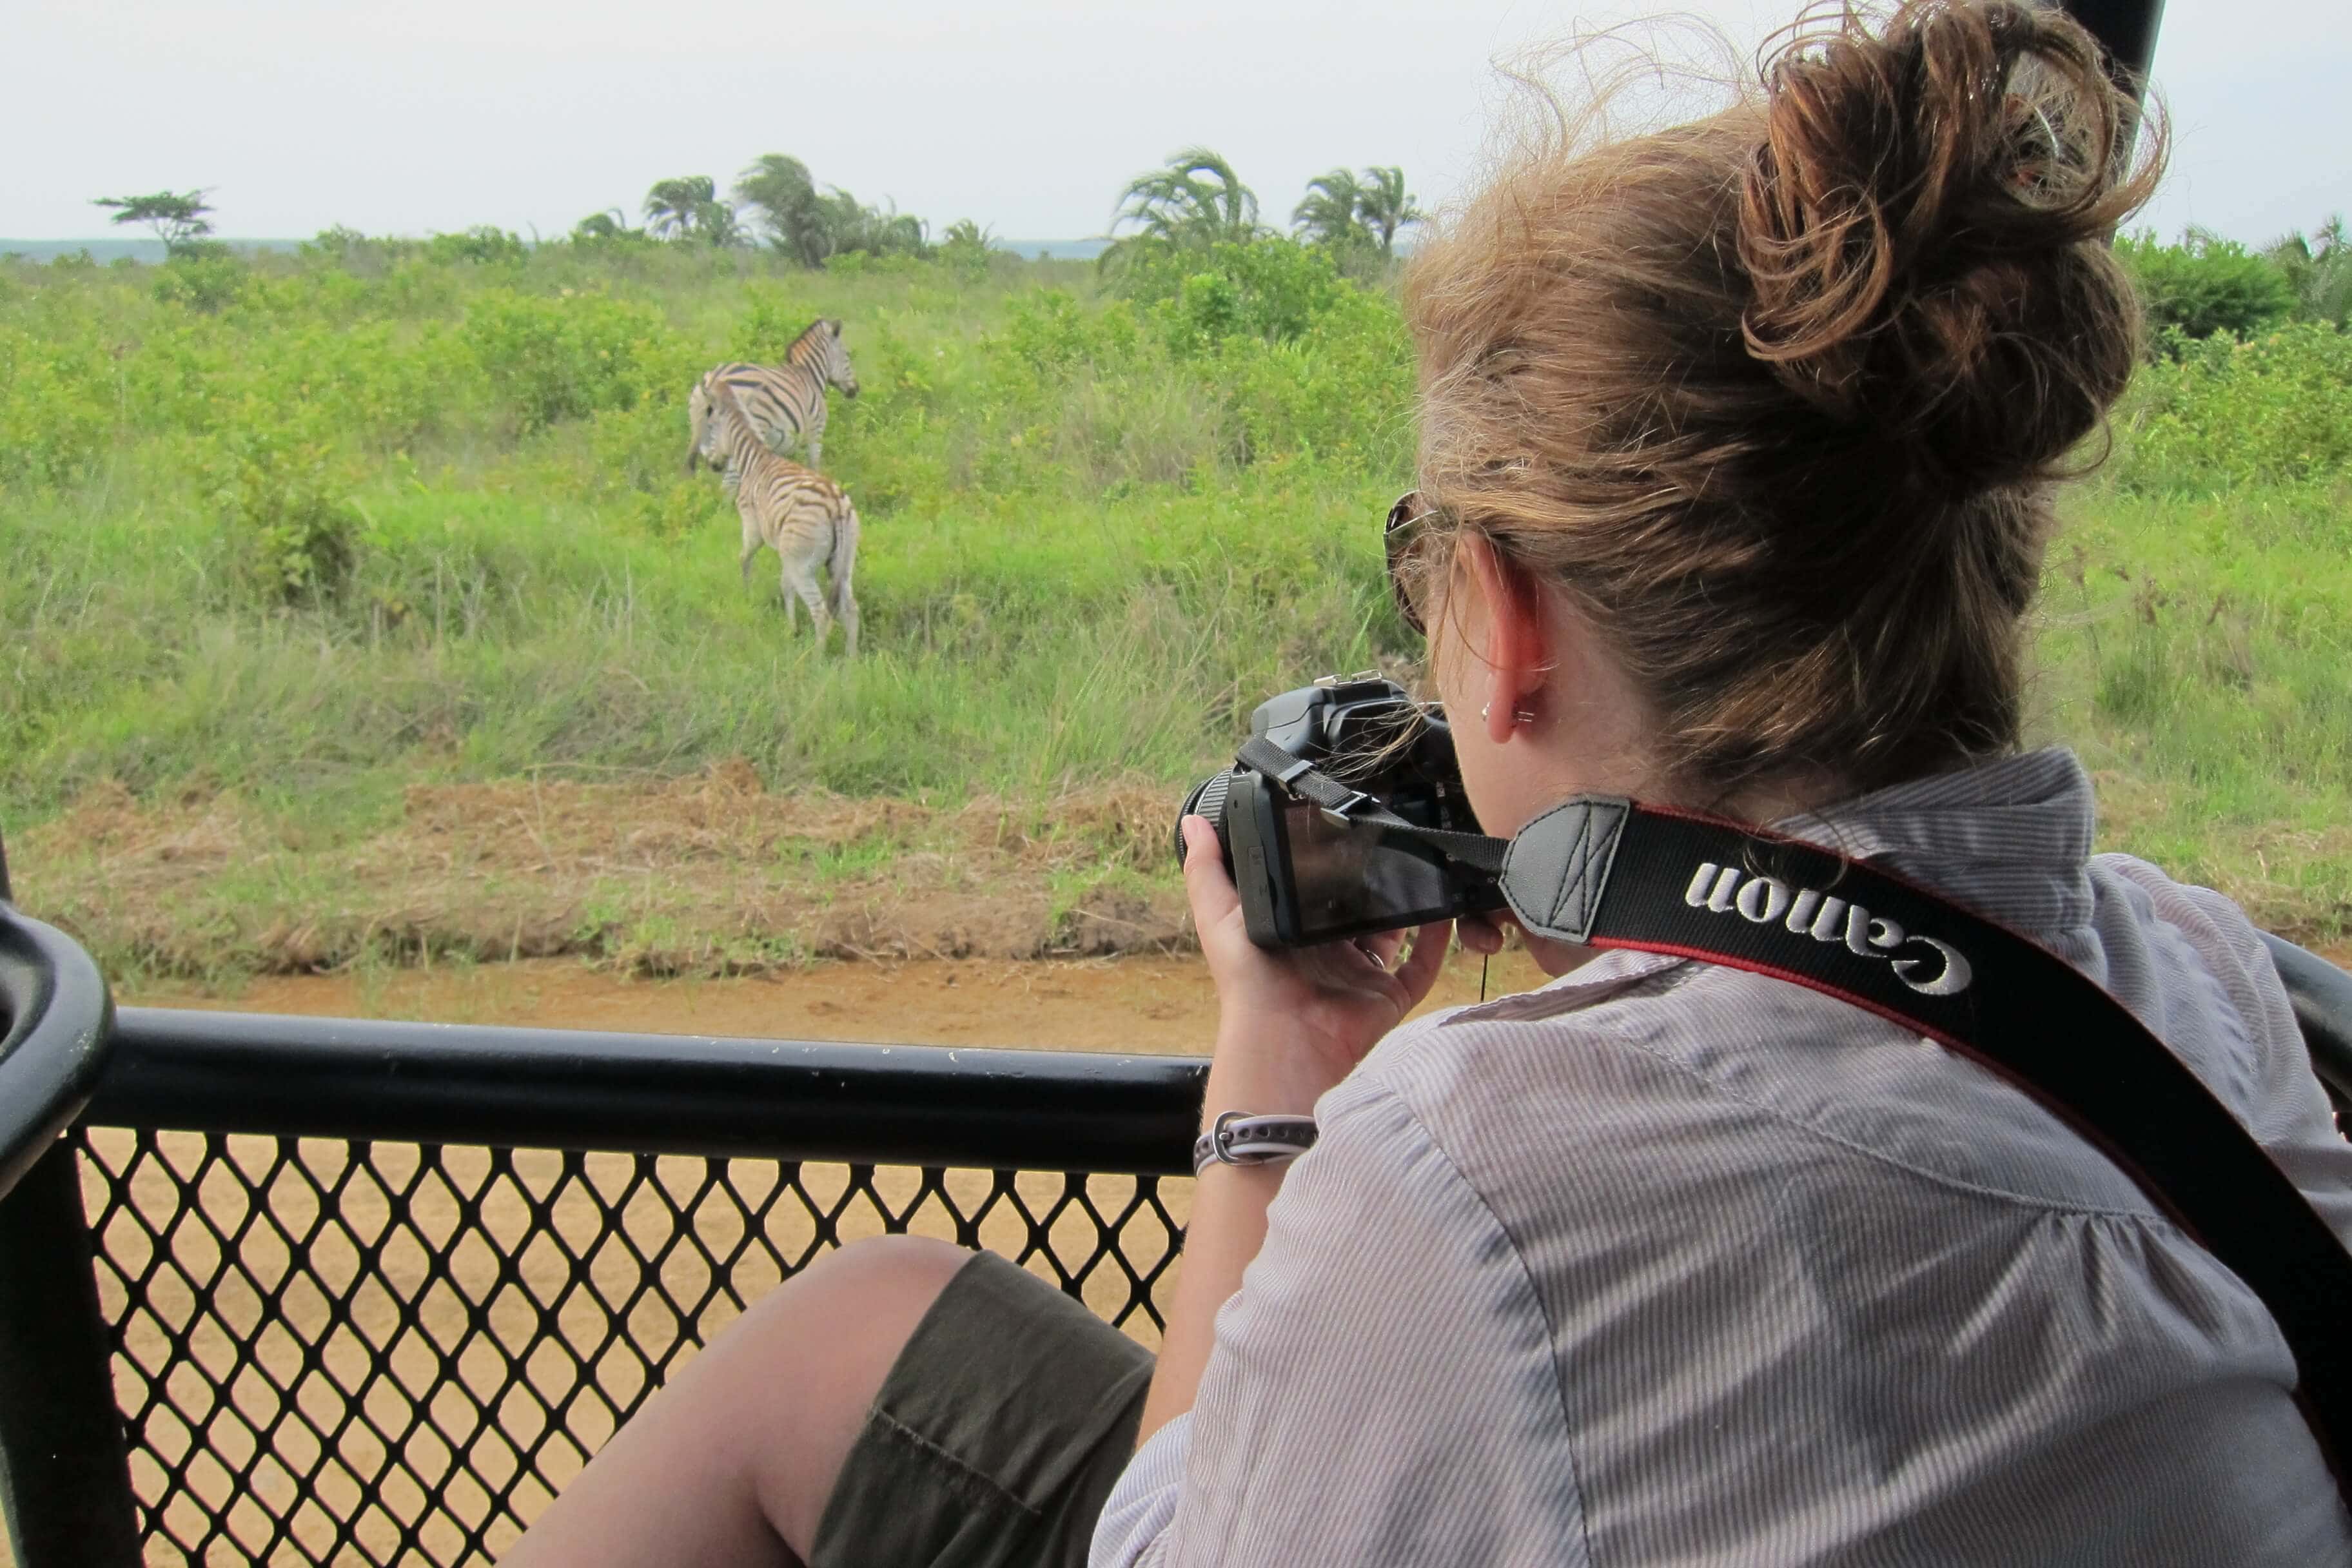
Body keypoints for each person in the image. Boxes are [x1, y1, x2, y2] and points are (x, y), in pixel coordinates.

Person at [504, 2, 2352, 1563]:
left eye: (1433, 567)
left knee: (829, 1330)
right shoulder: (2226, 994)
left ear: (1508, 621)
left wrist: (1279, 1078)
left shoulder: (1477, 1183)